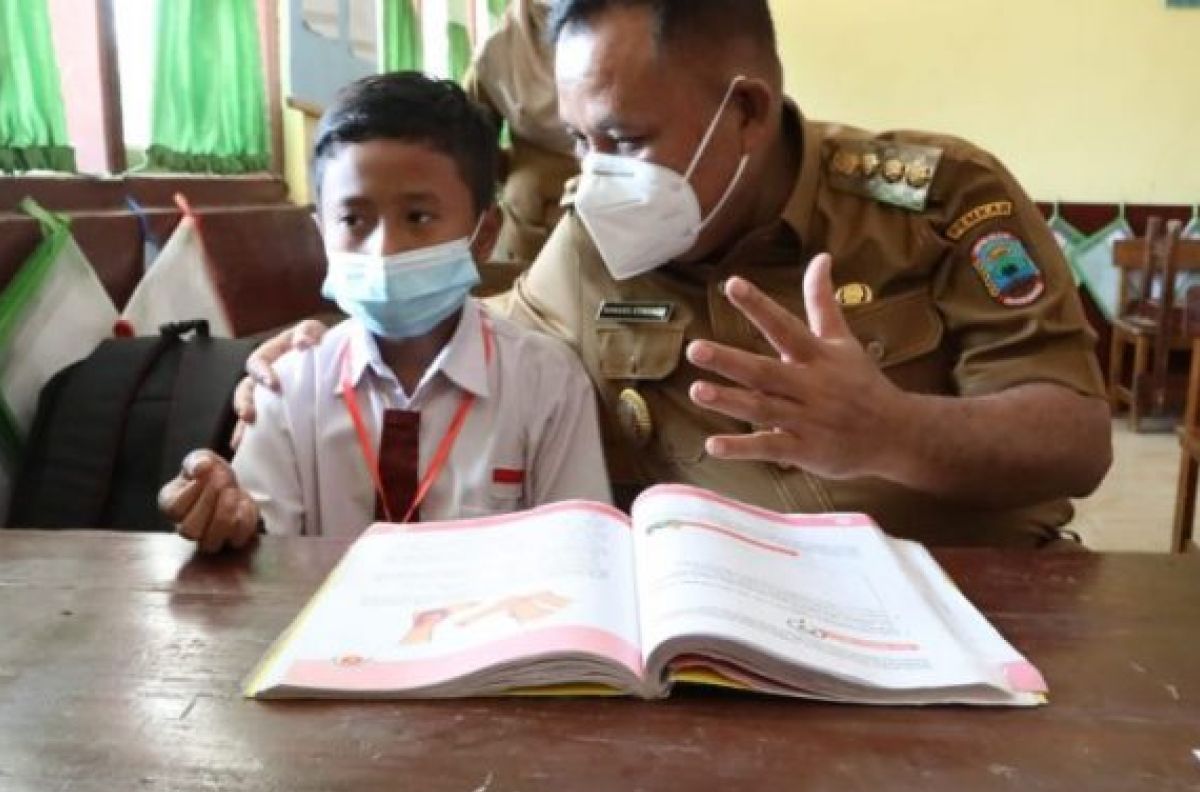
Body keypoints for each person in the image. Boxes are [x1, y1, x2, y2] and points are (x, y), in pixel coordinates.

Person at [236, 1, 1112, 548]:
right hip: (710, 633)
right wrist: (323, 345)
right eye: (579, 139)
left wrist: (889, 431)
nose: (592, 176)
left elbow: (1074, 439)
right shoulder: (589, 242)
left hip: (965, 600)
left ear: (747, 113)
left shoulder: (935, 201)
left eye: (623, 140)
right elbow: (487, 325)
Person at [159, 72, 610, 552]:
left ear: (482, 234)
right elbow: (259, 545)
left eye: (418, 218)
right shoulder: (288, 385)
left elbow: (576, 555)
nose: (384, 249)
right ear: (320, 231)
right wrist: (224, 514)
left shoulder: (546, 382)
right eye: (353, 220)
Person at [463, 0, 578, 271]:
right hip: (529, 233)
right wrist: (524, 175)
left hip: (628, 213)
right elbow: (467, 145)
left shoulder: (642, 33)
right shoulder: (498, 51)